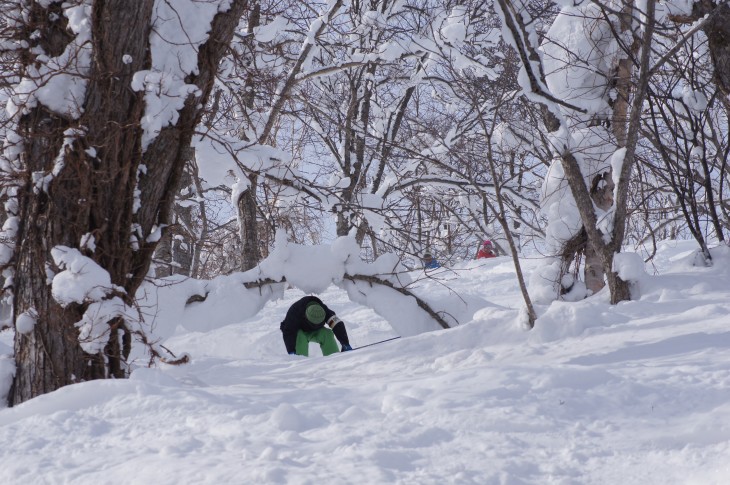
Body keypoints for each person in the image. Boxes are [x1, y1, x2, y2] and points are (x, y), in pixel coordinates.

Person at [280, 295, 352, 356]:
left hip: (316, 331)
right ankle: (301, 363)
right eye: (313, 324)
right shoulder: (295, 313)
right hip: (298, 331)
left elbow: (337, 324)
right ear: (305, 316)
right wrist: (291, 351)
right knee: (300, 337)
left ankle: (334, 360)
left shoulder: (325, 311)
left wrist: (345, 343)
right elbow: (288, 332)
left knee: (327, 334)